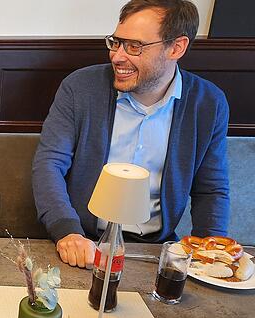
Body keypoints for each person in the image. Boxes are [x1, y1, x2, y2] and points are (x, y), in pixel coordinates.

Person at [32, 0, 229, 268]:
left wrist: (212, 253)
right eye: (116, 42)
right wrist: (67, 231)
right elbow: (49, 164)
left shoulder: (208, 103)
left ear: (177, 47)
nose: (117, 56)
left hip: (156, 251)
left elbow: (211, 189)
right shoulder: (80, 88)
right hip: (84, 241)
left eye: (134, 46)